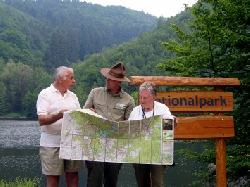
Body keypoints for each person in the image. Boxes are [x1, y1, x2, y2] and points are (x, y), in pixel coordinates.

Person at [83, 62, 135, 187]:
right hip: (95, 143)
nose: (107, 80)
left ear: (119, 82)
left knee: (111, 180)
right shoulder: (95, 93)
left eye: (111, 79)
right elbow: (83, 114)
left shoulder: (128, 100)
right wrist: (88, 112)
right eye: (107, 77)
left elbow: (129, 124)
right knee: (94, 180)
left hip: (115, 145)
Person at [36, 66, 83, 187]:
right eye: (71, 78)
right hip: (51, 144)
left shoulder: (73, 96)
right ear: (61, 79)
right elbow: (41, 120)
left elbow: (79, 117)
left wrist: (89, 114)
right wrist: (59, 115)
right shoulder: (45, 94)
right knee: (53, 179)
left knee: (73, 177)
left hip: (72, 142)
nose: (74, 81)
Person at [128, 81, 177, 187]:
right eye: (141, 97)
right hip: (140, 152)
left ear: (154, 97)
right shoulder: (135, 111)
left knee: (158, 183)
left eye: (145, 98)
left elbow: (170, 125)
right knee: (142, 183)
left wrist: (173, 121)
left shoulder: (162, 109)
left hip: (158, 151)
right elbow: (129, 132)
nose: (142, 100)